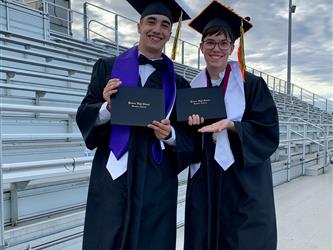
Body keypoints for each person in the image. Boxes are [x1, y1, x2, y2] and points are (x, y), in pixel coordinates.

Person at [76, 1, 196, 249]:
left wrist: (171, 134)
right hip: (113, 173)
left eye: (165, 24)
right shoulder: (107, 68)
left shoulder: (179, 84)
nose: (157, 29)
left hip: (157, 177)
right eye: (151, 21)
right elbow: (84, 114)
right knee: (107, 237)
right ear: (139, 25)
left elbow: (190, 139)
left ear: (170, 34)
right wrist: (107, 107)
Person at [184, 1, 280, 250]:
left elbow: (268, 131)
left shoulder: (252, 85)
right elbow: (185, 140)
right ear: (201, 47)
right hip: (205, 180)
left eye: (223, 42)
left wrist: (233, 125)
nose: (216, 48)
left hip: (243, 181)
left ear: (232, 47)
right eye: (211, 42)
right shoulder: (192, 90)